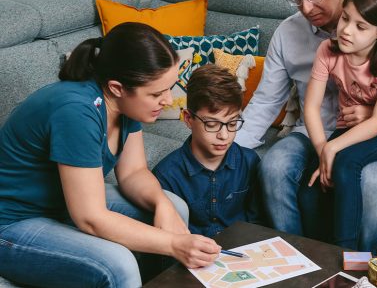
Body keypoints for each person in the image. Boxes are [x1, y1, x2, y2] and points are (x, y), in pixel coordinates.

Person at [235, 0, 377, 253]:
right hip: (313, 132)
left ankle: (358, 270)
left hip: (373, 133)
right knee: (273, 167)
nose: (306, 7)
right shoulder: (289, 34)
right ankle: (299, 262)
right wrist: (227, 151)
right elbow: (266, 101)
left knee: (369, 185)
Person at [0, 22, 221, 288]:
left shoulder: (127, 106)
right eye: (156, 93)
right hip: (12, 222)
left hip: (59, 204)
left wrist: (161, 204)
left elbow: (133, 173)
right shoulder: (76, 111)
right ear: (117, 88)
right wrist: (174, 243)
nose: (168, 100)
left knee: (174, 207)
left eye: (169, 87)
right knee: (118, 263)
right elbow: (90, 217)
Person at [304, 0, 377, 250]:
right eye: (345, 19)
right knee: (313, 182)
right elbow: (311, 107)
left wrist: (334, 147)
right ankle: (320, 254)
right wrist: (322, 150)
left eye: (360, 26)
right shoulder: (328, 50)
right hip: (349, 128)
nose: (346, 31)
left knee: (346, 163)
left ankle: (348, 256)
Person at [152, 64, 263, 237]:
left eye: (232, 123)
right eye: (212, 124)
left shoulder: (249, 162)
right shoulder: (166, 175)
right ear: (188, 119)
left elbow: (258, 224)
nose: (224, 135)